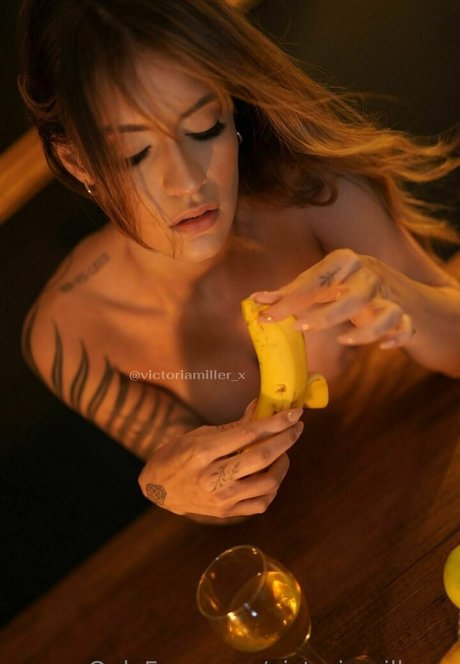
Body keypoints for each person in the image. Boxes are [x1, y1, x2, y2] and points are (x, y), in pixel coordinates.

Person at [17, 0, 460, 522]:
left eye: (205, 128)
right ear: (78, 162)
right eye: (133, 155)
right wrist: (164, 487)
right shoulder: (69, 333)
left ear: (231, 106)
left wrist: (394, 291)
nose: (187, 182)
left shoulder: (311, 193)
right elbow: (213, 497)